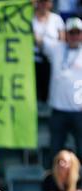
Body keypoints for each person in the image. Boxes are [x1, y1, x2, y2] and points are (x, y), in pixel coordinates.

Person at [35, 17, 82, 168]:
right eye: (71, 33)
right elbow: (39, 41)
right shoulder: (57, 48)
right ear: (66, 34)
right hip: (58, 111)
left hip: (79, 111)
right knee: (55, 150)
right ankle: (52, 185)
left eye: (77, 32)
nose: (74, 36)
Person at [32, 0, 65, 104]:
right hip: (33, 60)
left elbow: (62, 41)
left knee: (49, 89)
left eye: (46, 2)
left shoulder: (56, 19)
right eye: (41, 2)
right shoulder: (30, 19)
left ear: (50, 4)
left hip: (52, 60)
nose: (43, 4)